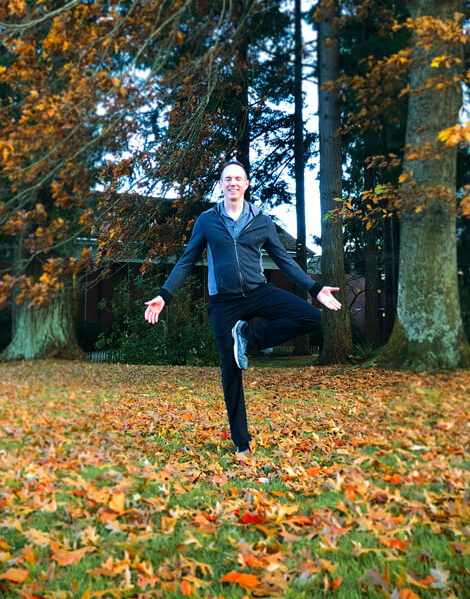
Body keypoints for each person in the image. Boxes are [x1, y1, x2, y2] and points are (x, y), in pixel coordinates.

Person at [144, 159, 342, 461]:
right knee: (231, 370)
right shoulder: (207, 221)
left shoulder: (262, 221)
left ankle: (247, 337)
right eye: (227, 179)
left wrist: (314, 288)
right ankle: (241, 442)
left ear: (247, 184)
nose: (233, 182)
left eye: (239, 178)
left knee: (311, 316)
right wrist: (164, 296)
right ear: (221, 185)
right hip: (223, 301)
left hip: (257, 292)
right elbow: (186, 260)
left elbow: (284, 260)